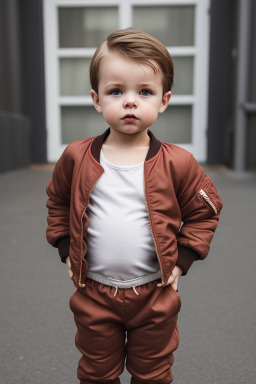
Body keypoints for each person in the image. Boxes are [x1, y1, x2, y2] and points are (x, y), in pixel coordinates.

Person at [46, 28, 222, 384]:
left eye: (144, 91)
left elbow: (205, 211)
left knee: (153, 373)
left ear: (164, 100)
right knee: (96, 372)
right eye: (116, 91)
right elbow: (58, 201)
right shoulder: (77, 157)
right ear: (97, 99)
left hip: (155, 293)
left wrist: (185, 257)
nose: (130, 101)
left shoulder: (179, 162)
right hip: (93, 291)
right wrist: (65, 248)